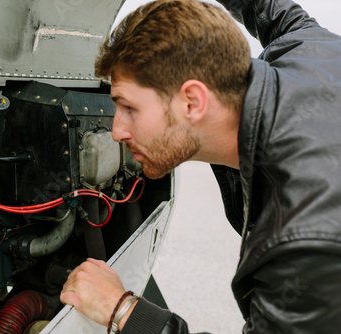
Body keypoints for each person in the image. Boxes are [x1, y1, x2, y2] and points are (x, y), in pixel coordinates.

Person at [59, 0, 341, 333]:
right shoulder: (309, 45)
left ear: (193, 101)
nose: (117, 131)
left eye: (130, 108)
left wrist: (122, 310)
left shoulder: (303, 237)